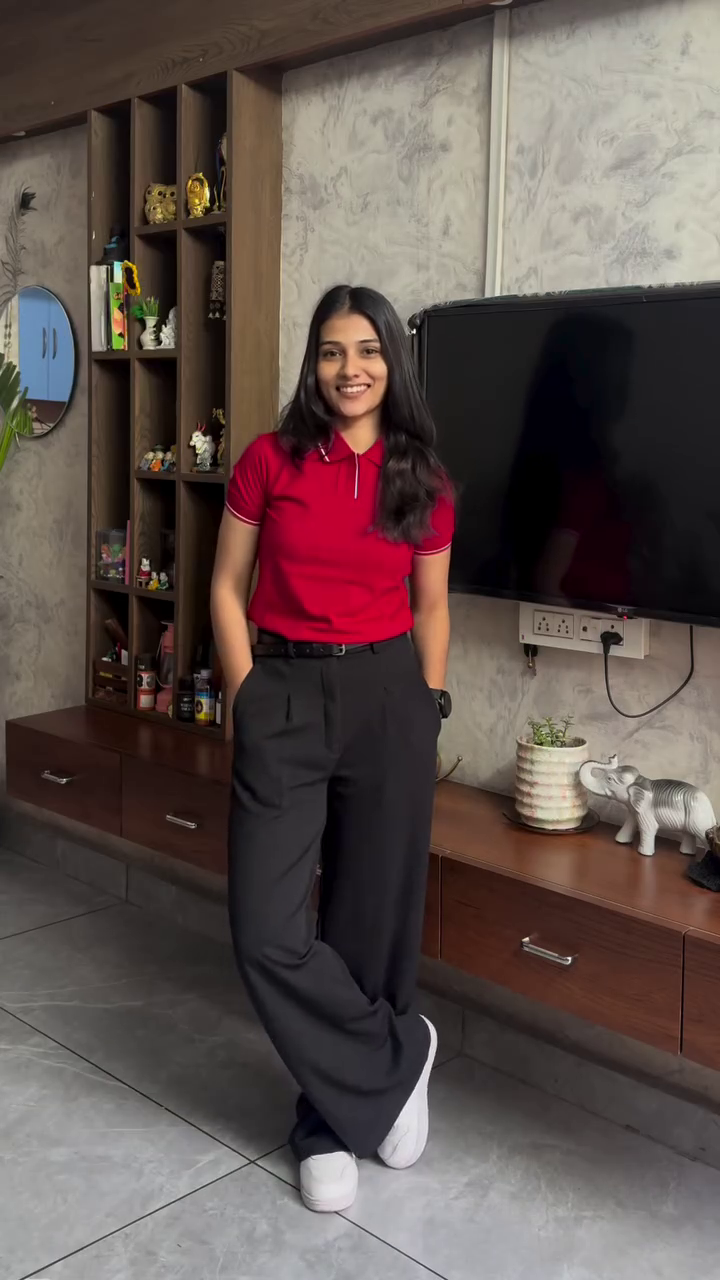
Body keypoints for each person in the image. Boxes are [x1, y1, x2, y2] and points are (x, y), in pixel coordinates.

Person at [211, 284, 454, 1214]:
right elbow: (227, 586)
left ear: (393, 361)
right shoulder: (271, 461)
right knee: (267, 931)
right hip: (284, 688)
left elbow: (431, 605)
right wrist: (246, 691)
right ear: (312, 365)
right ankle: (401, 1057)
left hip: (390, 694)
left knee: (369, 920)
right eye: (330, 352)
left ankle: (329, 1123)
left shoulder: (420, 475)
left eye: (368, 350)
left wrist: (428, 704)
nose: (349, 369)